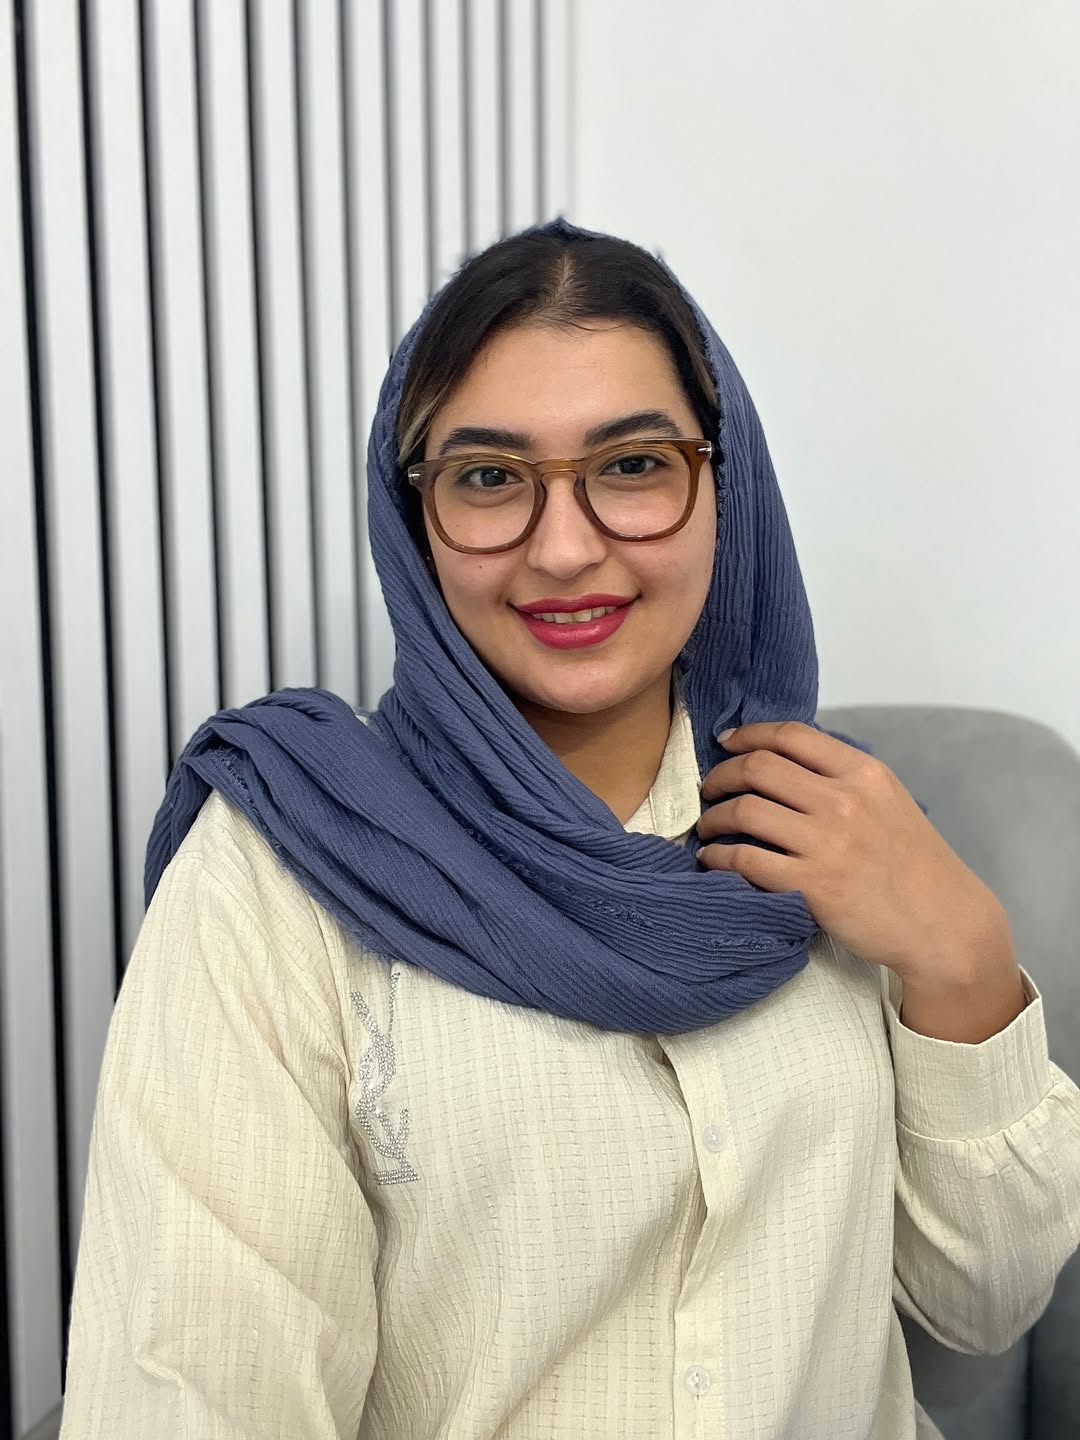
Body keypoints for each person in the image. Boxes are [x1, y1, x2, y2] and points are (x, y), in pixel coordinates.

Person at [59, 217, 1080, 1438]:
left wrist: (963, 960)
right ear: (414, 518)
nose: (563, 547)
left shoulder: (840, 832)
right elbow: (195, 1394)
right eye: (490, 477)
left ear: (725, 487)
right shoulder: (282, 868)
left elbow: (983, 1306)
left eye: (634, 464)